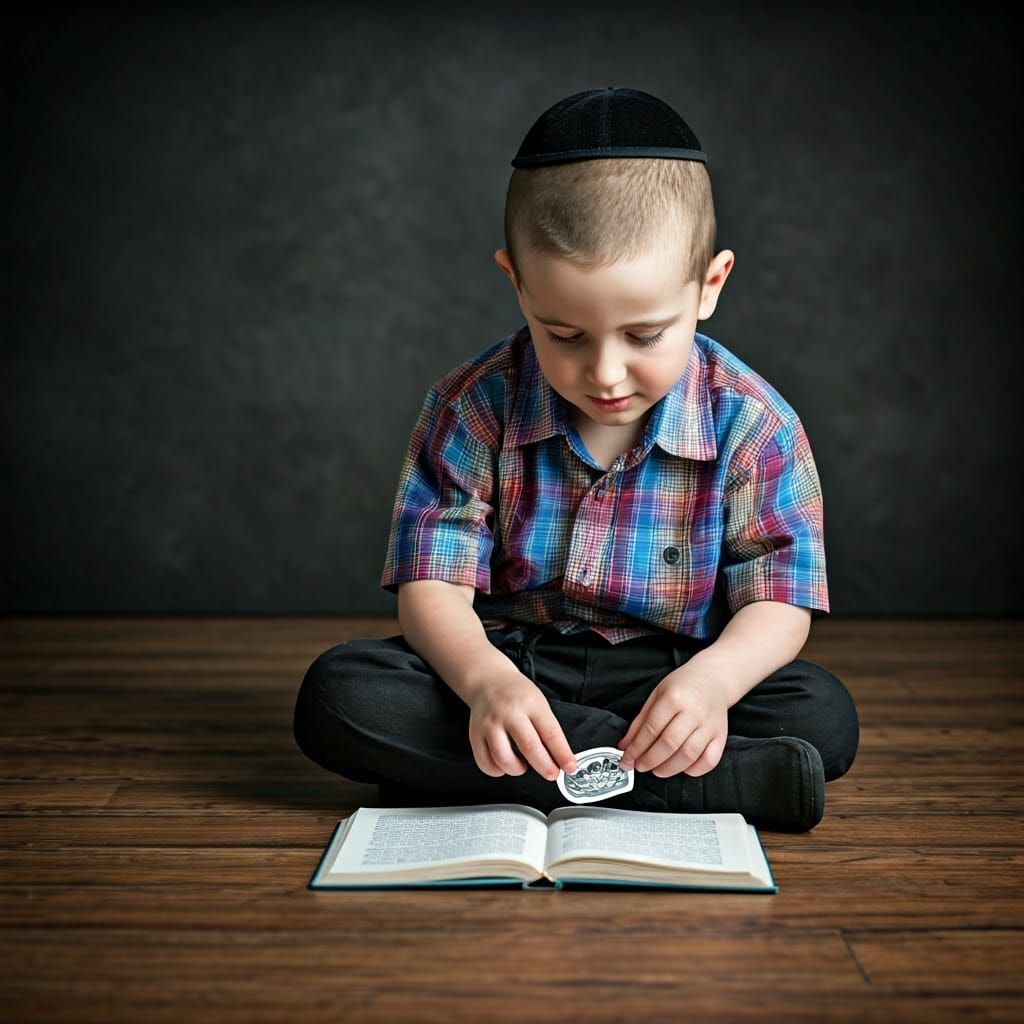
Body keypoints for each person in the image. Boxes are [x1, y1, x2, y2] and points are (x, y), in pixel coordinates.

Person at [293, 87, 859, 831]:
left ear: (709, 286)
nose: (606, 373)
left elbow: (778, 602)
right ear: (516, 284)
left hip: (670, 672)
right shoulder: (472, 407)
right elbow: (432, 585)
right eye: (564, 335)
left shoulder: (755, 424)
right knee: (340, 695)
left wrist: (712, 688)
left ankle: (489, 775)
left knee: (822, 715)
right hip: (514, 661)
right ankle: (695, 788)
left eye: (645, 335)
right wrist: (487, 684)